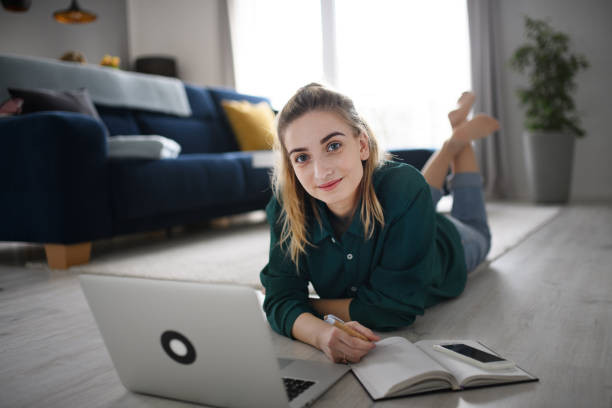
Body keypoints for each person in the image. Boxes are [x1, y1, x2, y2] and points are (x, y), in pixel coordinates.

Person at [260, 83, 500, 364]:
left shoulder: (402, 187)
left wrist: (305, 308)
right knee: (408, 192)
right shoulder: (287, 205)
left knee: (474, 226)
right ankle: (453, 140)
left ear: (362, 145)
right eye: (302, 157)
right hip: (395, 205)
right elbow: (280, 299)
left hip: (449, 242)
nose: (320, 171)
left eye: (333, 146)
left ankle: (457, 142)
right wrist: (320, 333)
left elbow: (394, 310)